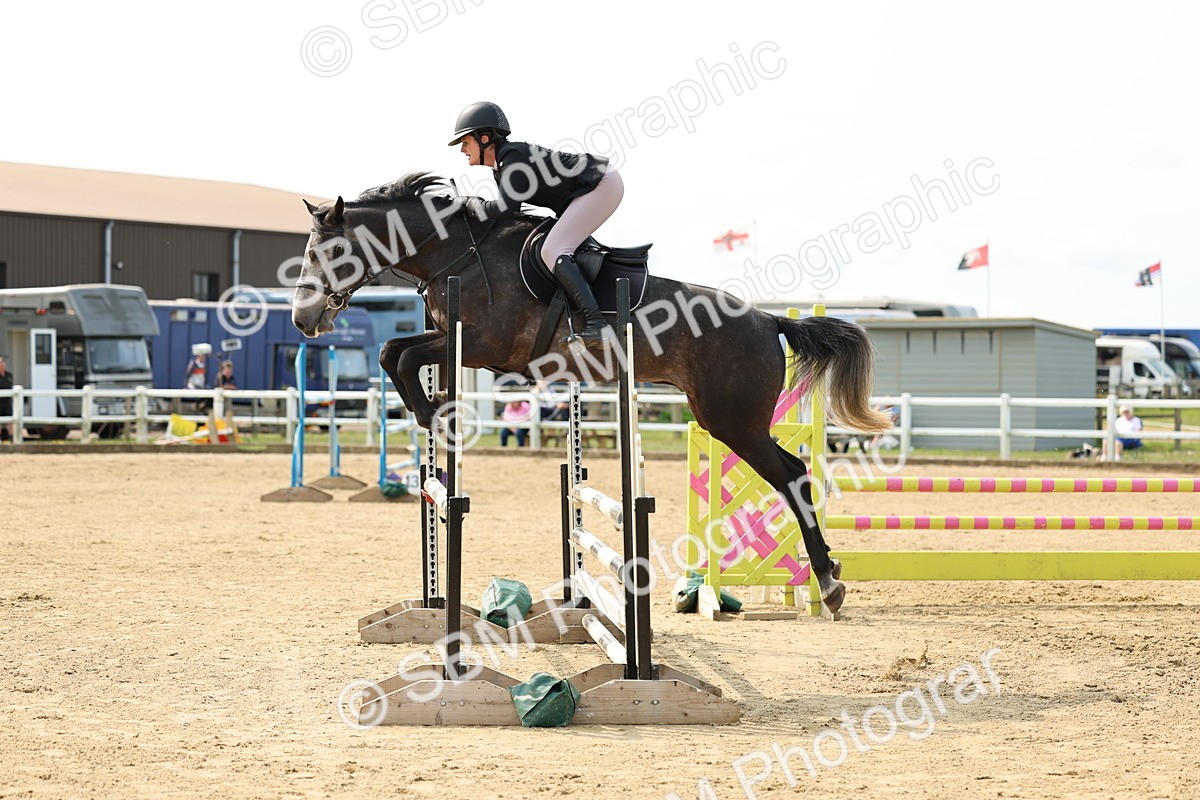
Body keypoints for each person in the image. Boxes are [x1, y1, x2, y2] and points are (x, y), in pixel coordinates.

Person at [448, 101, 622, 351]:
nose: (462, 149)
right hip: (590, 188)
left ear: (484, 138)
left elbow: (506, 209)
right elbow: (509, 216)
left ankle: (598, 324)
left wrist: (472, 204)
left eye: (465, 142)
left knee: (552, 250)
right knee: (554, 246)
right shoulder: (503, 166)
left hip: (601, 183)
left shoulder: (511, 156)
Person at [0, 356, 13, 443]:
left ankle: (11, 438)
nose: (2, 365)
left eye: (3, 363)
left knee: (10, 420)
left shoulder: (9, 375)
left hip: (7, 402)